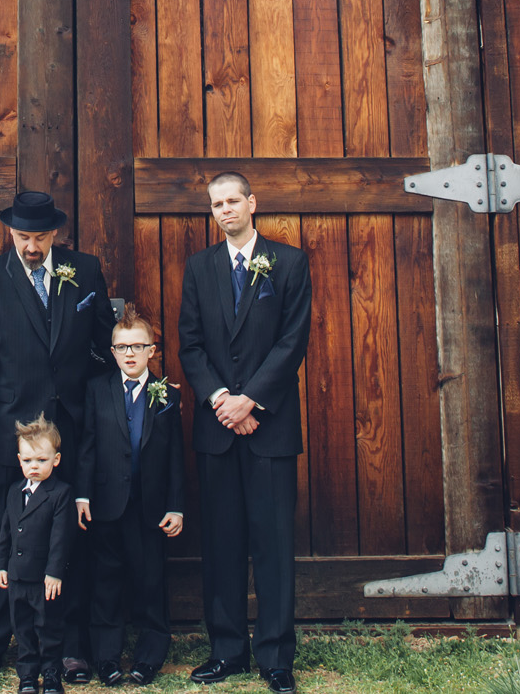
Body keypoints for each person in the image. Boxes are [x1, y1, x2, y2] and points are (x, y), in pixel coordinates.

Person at [0, 191, 115, 686]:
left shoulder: (84, 271)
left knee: (70, 538)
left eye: (41, 237)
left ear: (55, 235)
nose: (32, 246)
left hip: (70, 430)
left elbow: (105, 348)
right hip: (10, 435)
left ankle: (70, 645)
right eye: (24, 237)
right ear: (11, 233)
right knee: (2, 540)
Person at [176, 173, 311, 694]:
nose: (225, 210)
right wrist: (220, 402)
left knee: (273, 546)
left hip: (269, 428)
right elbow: (191, 344)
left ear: (252, 204)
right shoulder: (200, 267)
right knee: (222, 544)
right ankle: (226, 650)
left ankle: (277, 658)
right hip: (217, 430)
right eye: (216, 204)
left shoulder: (290, 262)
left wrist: (249, 401)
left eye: (233, 201)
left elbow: (291, 342)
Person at [74, 302, 184, 687]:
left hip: (149, 506)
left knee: (150, 581)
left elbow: (174, 458)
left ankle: (149, 655)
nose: (130, 354)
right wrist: (82, 496)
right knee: (106, 582)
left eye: (138, 347)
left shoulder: (166, 395)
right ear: (113, 351)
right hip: (106, 504)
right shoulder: (97, 389)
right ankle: (105, 657)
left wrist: (176, 506)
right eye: (123, 348)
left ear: (152, 350)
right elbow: (87, 446)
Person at [0, 416, 78, 694]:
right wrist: (1, 565)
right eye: (28, 461)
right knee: (23, 629)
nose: (34, 467)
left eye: (41, 461)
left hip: (44, 579)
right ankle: (28, 676)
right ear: (19, 459)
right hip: (17, 576)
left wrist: (54, 572)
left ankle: (52, 674)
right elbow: (5, 530)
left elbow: (60, 538)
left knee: (48, 627)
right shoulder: (13, 492)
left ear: (55, 460)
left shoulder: (60, 493)